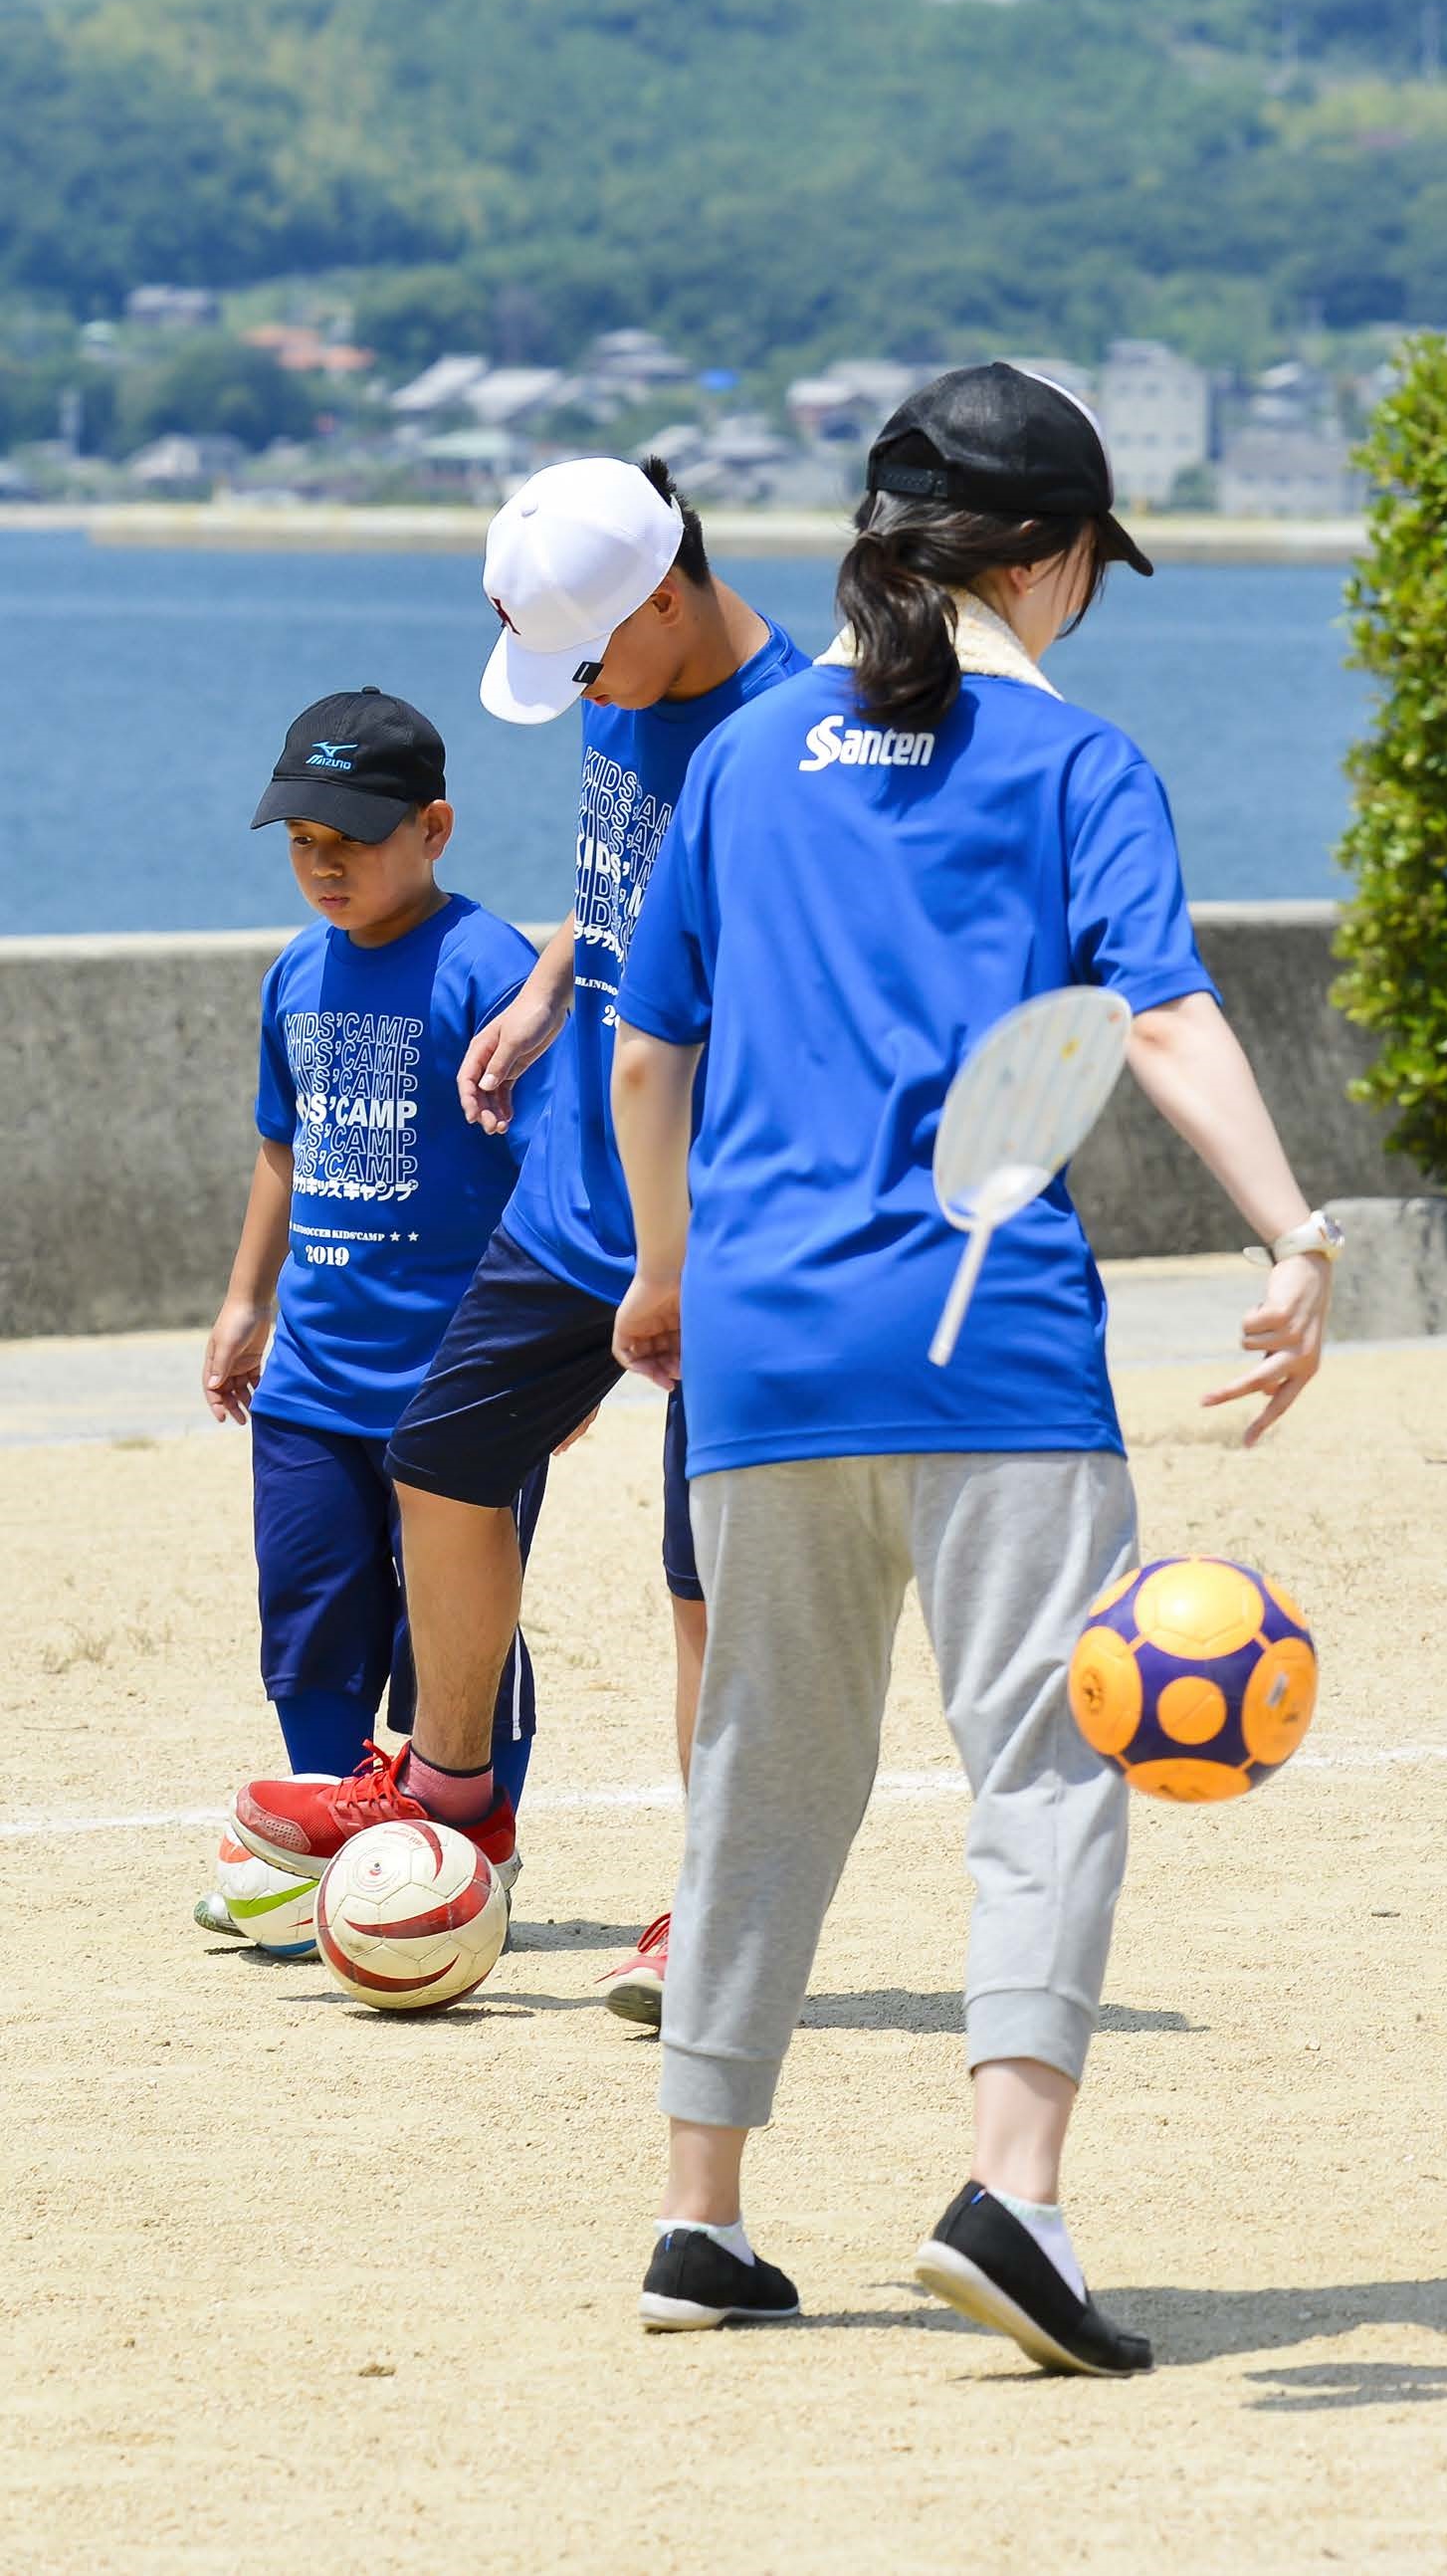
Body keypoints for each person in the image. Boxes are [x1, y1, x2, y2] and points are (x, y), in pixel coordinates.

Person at [609, 363, 1337, 2369]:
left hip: (759, 1345)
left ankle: (702, 2215)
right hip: (984, 1342)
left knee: (764, 1767)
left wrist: (665, 1273)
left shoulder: (741, 765)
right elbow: (1164, 1021)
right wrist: (1292, 1233)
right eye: (1093, 554)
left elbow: (649, 1051)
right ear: (1045, 557)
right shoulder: (1076, 760)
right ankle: (1011, 2194)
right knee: (1046, 1758)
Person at [227, 457, 804, 2028]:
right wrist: (557, 975)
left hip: (716, 1212)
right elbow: (623, 893)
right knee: (440, 1460)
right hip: (571, 1193)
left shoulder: (780, 742)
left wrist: (672, 1264)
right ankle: (456, 1792)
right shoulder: (626, 665)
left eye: (590, 661)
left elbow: (748, 1005)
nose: (583, 690)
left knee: (707, 1581)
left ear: (666, 593)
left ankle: (718, 1908)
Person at [206, 693, 550, 1921]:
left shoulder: (490, 968)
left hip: (458, 1388)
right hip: (309, 1381)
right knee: (308, 1619)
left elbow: (553, 1170)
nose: (324, 863)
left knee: (446, 1639)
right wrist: (247, 1303)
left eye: (350, 837)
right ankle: (320, 1851)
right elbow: (281, 1149)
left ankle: (470, 1847)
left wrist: (549, 1362)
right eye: (303, 841)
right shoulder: (298, 973)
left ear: (436, 826)